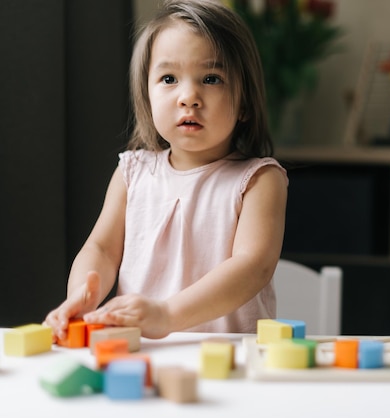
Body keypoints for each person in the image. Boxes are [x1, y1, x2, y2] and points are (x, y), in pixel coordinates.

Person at [44, 0, 288, 340]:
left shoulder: (259, 181)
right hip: (141, 353)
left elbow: (253, 267)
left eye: (211, 78)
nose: (189, 96)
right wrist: (82, 297)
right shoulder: (133, 173)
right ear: (147, 94)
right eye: (169, 78)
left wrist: (167, 314)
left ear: (245, 102)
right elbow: (100, 249)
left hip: (231, 361)